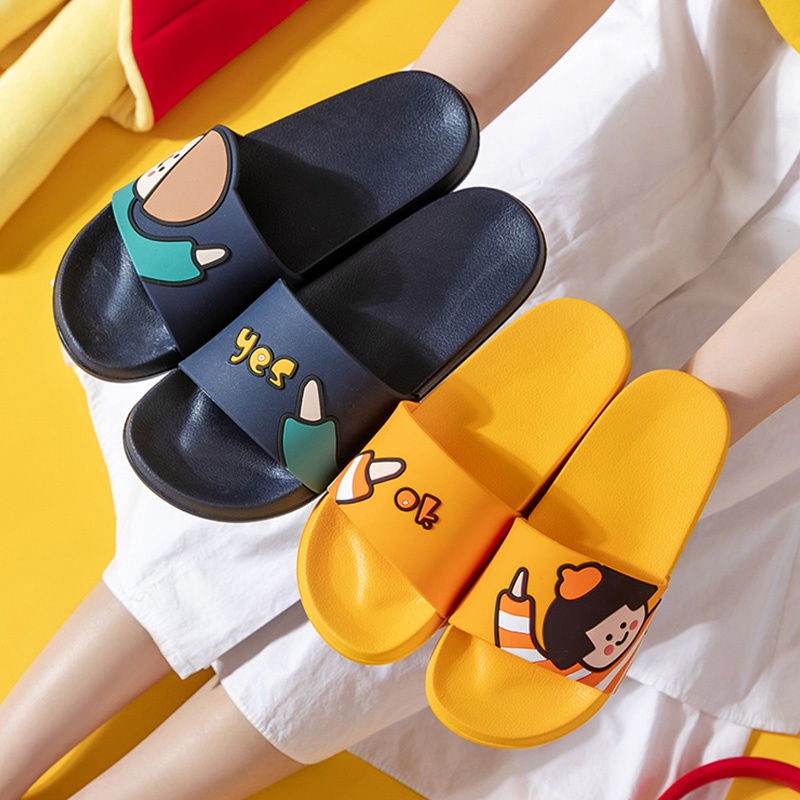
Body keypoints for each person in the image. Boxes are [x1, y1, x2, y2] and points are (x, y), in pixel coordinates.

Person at [2, 1, 800, 798]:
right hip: (655, 61)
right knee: (429, 303)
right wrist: (420, 114)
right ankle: (411, 128)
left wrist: (700, 423)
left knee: (447, 545)